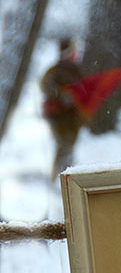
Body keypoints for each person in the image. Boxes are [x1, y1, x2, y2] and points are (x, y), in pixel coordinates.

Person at [40, 38, 84, 182]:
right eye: (72, 51)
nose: (75, 54)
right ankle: (63, 178)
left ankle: (61, 177)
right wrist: (61, 94)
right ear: (66, 53)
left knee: (67, 145)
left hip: (72, 117)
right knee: (65, 145)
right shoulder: (56, 70)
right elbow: (45, 85)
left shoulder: (76, 70)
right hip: (59, 116)